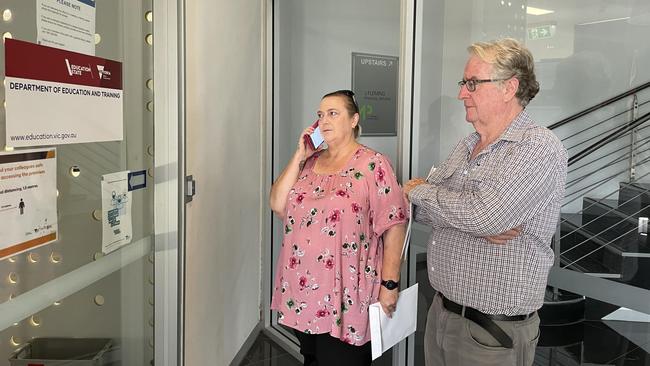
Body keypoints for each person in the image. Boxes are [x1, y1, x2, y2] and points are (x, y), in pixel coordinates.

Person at [404, 39, 567, 366]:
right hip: (442, 314)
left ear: (510, 87)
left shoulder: (536, 147)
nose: (462, 93)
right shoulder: (467, 145)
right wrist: (471, 219)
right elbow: (424, 216)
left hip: (491, 333)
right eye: (464, 83)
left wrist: (417, 190)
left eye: (472, 83)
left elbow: (483, 216)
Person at [270, 90, 408, 366]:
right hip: (305, 292)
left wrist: (390, 285)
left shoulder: (373, 164)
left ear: (354, 119)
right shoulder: (309, 163)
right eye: (320, 115)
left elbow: (394, 223)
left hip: (347, 295)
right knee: (313, 359)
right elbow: (276, 203)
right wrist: (299, 155)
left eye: (333, 113)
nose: (324, 120)